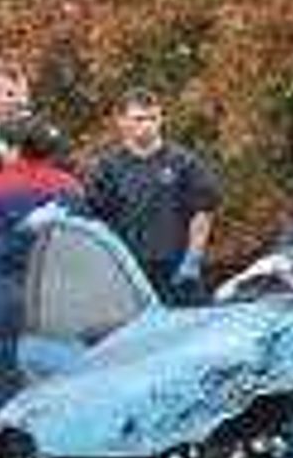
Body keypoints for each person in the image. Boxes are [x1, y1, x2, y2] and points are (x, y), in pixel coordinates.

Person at [0, 118, 88, 415]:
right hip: (60, 291)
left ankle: (9, 444)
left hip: (5, 288)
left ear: (15, 148)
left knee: (0, 370)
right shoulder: (71, 186)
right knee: (60, 370)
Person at [83, 91, 223, 303]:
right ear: (122, 122)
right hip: (128, 271)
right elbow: (95, 219)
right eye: (139, 119)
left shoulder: (183, 163)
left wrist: (193, 259)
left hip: (175, 269)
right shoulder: (107, 168)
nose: (147, 125)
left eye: (153, 118)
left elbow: (203, 211)